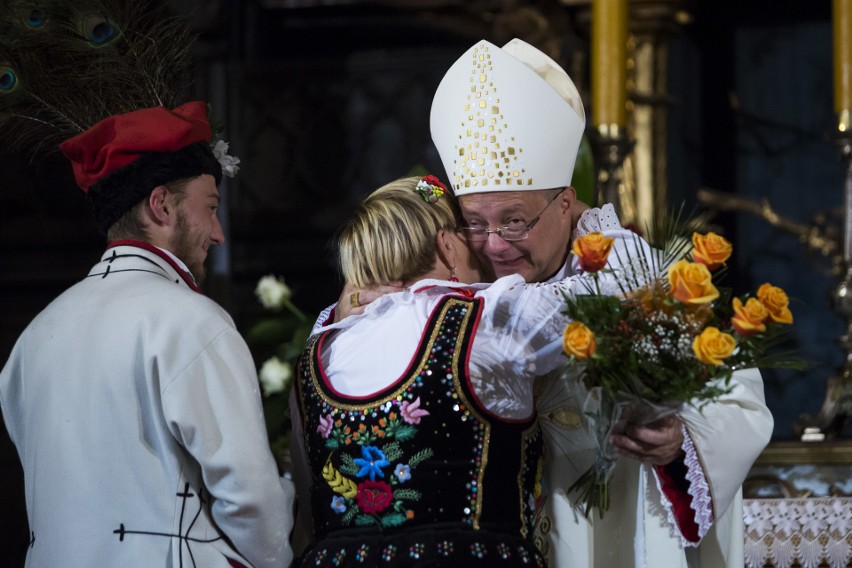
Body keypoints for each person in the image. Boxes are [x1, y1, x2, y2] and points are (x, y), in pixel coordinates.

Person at [428, 38, 773, 568]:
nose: (493, 244)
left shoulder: (642, 279)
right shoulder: (449, 284)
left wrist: (678, 442)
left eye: (514, 221)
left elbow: (739, 402)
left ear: (565, 201)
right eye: (474, 223)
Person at [291, 175, 647, 567]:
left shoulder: (317, 353)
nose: (488, 248)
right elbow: (631, 285)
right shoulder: (487, 318)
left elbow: (309, 508)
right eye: (470, 230)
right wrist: (575, 214)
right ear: (446, 246)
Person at [0, 101, 295, 567]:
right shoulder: (191, 320)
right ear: (161, 206)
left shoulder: (34, 336)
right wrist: (275, 556)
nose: (218, 234)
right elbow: (250, 496)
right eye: (211, 208)